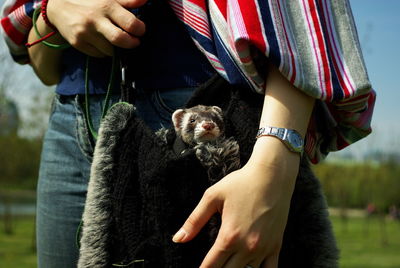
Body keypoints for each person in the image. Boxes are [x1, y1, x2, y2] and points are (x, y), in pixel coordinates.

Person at [1, 0, 375, 267]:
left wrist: (276, 158)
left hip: (202, 112)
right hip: (70, 122)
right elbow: (43, 68)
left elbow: (301, 26)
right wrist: (51, 11)